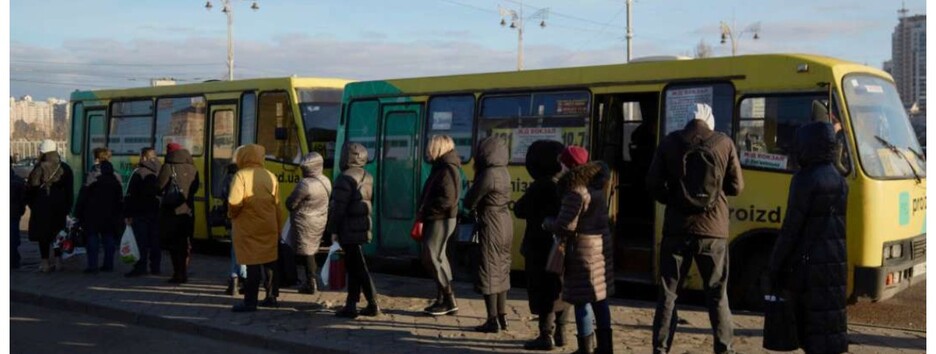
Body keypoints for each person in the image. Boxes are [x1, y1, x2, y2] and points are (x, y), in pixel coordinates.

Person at [646, 103, 743, 354]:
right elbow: (736, 187)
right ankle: (724, 348)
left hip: (677, 229)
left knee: (669, 292)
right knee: (717, 293)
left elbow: (653, 183)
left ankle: (660, 347)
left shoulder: (669, 143)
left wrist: (673, 198)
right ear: (709, 120)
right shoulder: (724, 143)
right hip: (713, 232)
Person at [764, 122, 849, 354]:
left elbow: (791, 228)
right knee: (828, 327)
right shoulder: (839, 179)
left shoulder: (805, 179)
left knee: (810, 329)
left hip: (809, 266)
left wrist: (775, 265)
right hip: (834, 264)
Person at [543, 146, 614, 354]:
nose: (561, 166)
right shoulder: (597, 186)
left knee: (581, 299)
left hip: (583, 251)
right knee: (600, 299)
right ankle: (606, 347)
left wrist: (548, 223)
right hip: (600, 248)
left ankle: (585, 347)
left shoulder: (575, 191)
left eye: (563, 163)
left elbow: (565, 225)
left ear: (570, 166)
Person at [514, 140, 571, 350]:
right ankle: (562, 332)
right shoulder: (566, 185)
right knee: (561, 290)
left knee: (544, 290)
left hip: (538, 246)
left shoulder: (540, 186)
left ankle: (545, 334)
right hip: (561, 247)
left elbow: (519, 209)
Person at [463, 137, 513, 333]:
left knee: (489, 269)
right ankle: (503, 316)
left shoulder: (488, 174)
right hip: (505, 222)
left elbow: (470, 201)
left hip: (491, 223)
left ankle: (491, 320)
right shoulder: (504, 171)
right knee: (502, 268)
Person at [228, 144, 282, 312]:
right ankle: (271, 297)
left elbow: (233, 202)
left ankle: (250, 302)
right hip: (269, 225)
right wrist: (278, 227)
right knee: (269, 262)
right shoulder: (270, 176)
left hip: (249, 226)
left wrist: (232, 215)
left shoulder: (241, 175)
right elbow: (278, 205)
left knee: (253, 264)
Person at [329, 143, 379, 318]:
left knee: (358, 268)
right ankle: (352, 303)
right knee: (355, 267)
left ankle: (371, 302)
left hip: (348, 228)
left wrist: (333, 230)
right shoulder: (368, 176)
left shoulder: (344, 178)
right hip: (362, 227)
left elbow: (338, 208)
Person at [417, 135, 462, 316]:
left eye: (431, 147)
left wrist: (428, 210)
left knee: (432, 256)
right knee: (439, 257)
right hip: (438, 218)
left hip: (440, 219)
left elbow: (447, 199)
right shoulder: (443, 167)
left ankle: (449, 299)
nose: (428, 151)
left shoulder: (446, 170)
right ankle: (443, 299)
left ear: (439, 148)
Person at [286, 152, 331, 295]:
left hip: (304, 221)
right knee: (311, 250)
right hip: (320, 220)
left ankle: (310, 281)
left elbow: (291, 204)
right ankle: (311, 280)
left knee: (307, 252)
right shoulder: (326, 180)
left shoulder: (305, 184)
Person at [25, 139, 74, 273]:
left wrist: (33, 204)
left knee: (43, 236)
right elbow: (70, 190)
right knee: (58, 234)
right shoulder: (65, 168)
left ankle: (45, 263)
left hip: (42, 207)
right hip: (60, 207)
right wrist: (68, 207)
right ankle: (58, 262)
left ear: (42, 152)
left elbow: (31, 188)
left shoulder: (39, 167)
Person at [157, 143, 200, 284]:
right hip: (188, 210)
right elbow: (195, 188)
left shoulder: (168, 167)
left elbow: (159, 187)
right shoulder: (193, 168)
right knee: (185, 243)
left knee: (174, 244)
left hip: (171, 212)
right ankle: (184, 271)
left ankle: (178, 273)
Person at [76, 161, 123, 273]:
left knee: (92, 240)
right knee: (109, 240)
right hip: (110, 216)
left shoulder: (92, 181)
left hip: (92, 216)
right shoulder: (115, 182)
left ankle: (92, 266)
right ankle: (108, 264)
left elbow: (82, 198)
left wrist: (78, 214)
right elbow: (120, 201)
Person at [124, 148, 163, 277]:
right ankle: (155, 267)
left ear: (144, 157)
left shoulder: (138, 172)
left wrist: (127, 214)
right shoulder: (161, 171)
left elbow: (130, 195)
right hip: (156, 210)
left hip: (140, 212)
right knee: (155, 241)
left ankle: (140, 267)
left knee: (141, 241)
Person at [220, 157, 247, 295]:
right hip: (248, 220)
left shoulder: (230, 179)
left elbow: (225, 196)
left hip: (235, 219)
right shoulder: (248, 178)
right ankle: (243, 280)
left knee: (235, 250)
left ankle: (235, 281)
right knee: (244, 250)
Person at [11, 158, 27, 269]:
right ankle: (13, 260)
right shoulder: (18, 180)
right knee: (13, 237)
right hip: (14, 214)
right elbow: (23, 198)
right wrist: (21, 210)